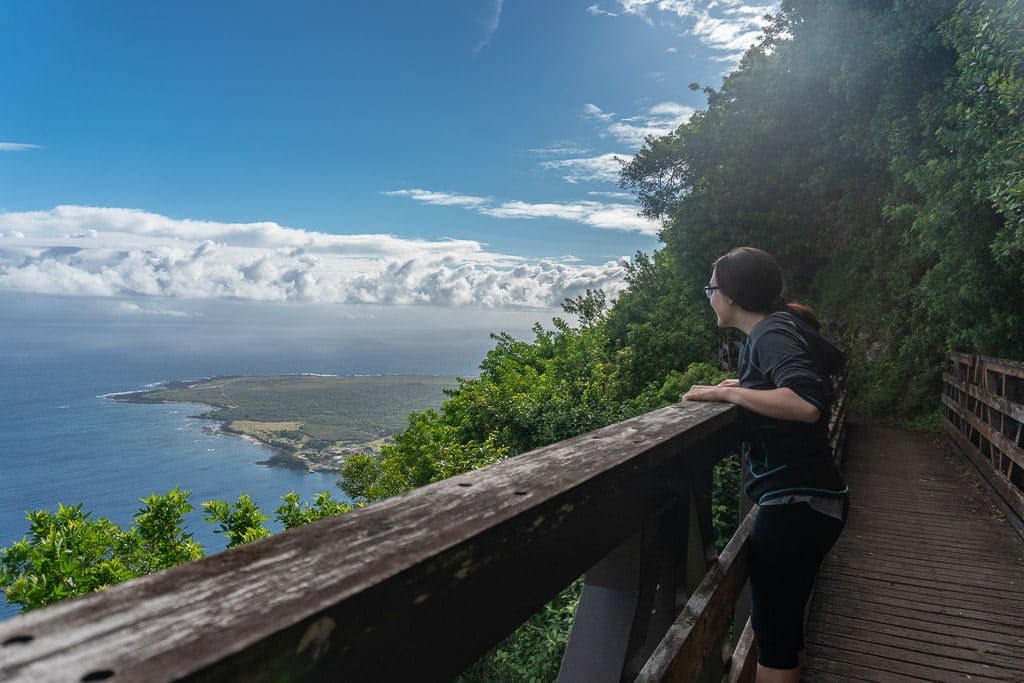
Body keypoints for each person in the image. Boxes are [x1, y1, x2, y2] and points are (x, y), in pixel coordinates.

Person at [683, 246, 848, 683]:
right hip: (814, 500)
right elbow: (788, 381)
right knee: (785, 627)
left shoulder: (770, 334)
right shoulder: (778, 329)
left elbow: (804, 400)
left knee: (773, 640)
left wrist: (731, 394)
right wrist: (744, 383)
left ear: (732, 296)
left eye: (711, 288)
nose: (710, 297)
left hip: (796, 504)